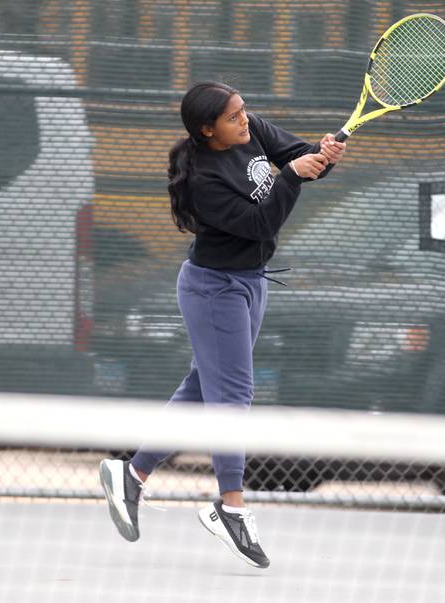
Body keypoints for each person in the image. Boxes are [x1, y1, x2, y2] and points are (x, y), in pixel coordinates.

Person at [99, 81, 346, 569]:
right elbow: (259, 222)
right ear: (207, 130)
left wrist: (324, 153)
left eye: (244, 111)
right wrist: (293, 175)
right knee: (233, 397)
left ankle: (133, 473)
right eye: (233, 117)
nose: (245, 120)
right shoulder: (202, 180)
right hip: (214, 289)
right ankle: (230, 507)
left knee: (201, 389)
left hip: (253, 282)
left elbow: (300, 158)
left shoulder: (249, 129)